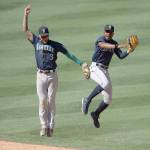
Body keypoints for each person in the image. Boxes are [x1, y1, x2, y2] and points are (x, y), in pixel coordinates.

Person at [23, 5, 86, 137]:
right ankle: (43, 126)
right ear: (40, 36)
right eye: (43, 36)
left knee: (51, 100)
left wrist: (81, 63)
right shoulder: (35, 41)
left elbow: (69, 54)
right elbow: (25, 30)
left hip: (52, 75)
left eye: (46, 36)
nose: (45, 38)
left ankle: (51, 126)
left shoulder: (55, 45)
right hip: (40, 75)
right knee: (42, 100)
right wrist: (26, 15)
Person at [82, 24, 132, 128]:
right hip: (95, 68)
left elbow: (121, 56)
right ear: (104, 32)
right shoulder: (100, 40)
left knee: (108, 99)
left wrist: (129, 51)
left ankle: (95, 114)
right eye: (106, 31)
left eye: (110, 32)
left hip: (104, 70)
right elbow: (103, 45)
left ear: (113, 33)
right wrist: (120, 46)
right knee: (105, 83)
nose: (108, 33)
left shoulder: (114, 43)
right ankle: (87, 99)